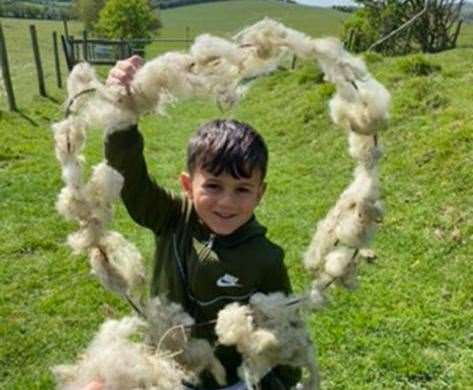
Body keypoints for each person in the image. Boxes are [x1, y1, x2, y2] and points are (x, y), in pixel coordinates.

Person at [102, 56, 301, 389]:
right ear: (187, 186)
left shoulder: (267, 257)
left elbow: (284, 329)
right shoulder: (171, 218)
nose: (226, 201)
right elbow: (131, 180)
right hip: (165, 371)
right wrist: (122, 112)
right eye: (212, 186)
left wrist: (281, 382)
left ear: (260, 194)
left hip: (231, 380)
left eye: (242, 189)